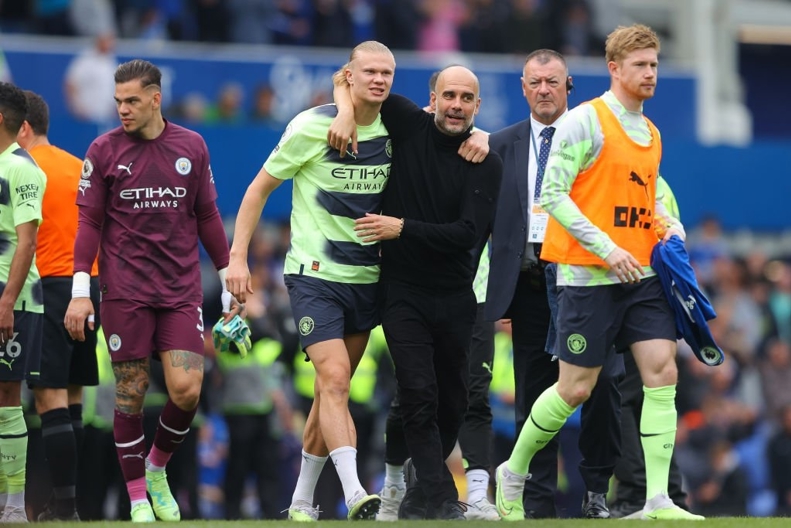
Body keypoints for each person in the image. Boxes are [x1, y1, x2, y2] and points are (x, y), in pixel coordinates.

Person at [494, 24, 705, 521]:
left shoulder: (650, 133)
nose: (650, 73)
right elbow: (551, 195)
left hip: (641, 278)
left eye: (654, 64)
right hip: (588, 276)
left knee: (662, 372)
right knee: (576, 389)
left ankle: (657, 500)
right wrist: (607, 249)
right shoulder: (585, 121)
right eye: (641, 65)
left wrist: (669, 226)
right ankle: (513, 472)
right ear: (615, 68)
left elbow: (646, 197)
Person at [225, 40, 397, 521]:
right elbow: (258, 190)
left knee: (328, 394)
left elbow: (450, 120)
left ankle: (301, 501)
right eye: (369, 71)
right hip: (313, 277)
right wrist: (237, 258)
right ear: (349, 74)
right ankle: (355, 492)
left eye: (387, 72)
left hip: (367, 280)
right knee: (336, 379)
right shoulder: (310, 126)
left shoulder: (397, 127)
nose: (379, 80)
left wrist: (482, 139)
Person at [63, 59, 235, 522]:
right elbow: (89, 224)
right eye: (118, 101)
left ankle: (156, 467)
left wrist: (228, 273)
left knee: (186, 390)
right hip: (125, 293)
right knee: (131, 392)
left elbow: (207, 217)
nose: (123, 109)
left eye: (132, 101)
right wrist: (82, 290)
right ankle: (138, 496)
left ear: (156, 99)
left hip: (180, 291)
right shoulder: (102, 150)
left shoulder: (191, 146)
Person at [329, 63, 503, 520]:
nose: (457, 105)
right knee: (418, 392)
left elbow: (467, 234)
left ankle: (417, 496)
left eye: (467, 98)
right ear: (432, 98)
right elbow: (351, 77)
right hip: (402, 291)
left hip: (456, 296)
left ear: (477, 106)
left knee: (453, 403)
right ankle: (441, 497)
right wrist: (345, 113)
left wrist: (401, 227)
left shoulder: (486, 160)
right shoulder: (408, 122)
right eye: (449, 95)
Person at [486, 48, 624, 519]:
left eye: (553, 82)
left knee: (600, 388)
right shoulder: (498, 144)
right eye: (535, 82)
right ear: (523, 88)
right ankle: (538, 502)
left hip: (586, 280)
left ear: (569, 87)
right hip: (527, 284)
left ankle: (595, 492)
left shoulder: (597, 137)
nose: (544, 90)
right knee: (535, 392)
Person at [16, 90, 99, 521]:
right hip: (90, 286)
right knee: (73, 399)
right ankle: (68, 503)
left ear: (23, 127)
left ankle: (64, 508)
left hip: (47, 286)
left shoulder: (20, 169)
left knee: (48, 398)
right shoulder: (79, 166)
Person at [609, 175, 691, 519]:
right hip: (657, 303)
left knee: (626, 401)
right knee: (655, 401)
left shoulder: (632, 180)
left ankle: (634, 493)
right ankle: (670, 492)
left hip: (632, 297)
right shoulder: (661, 185)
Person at [0, 81, 46, 523]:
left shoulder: (22, 169)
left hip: (10, 298)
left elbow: (27, 242)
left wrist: (7, 301)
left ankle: (13, 506)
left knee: (6, 398)